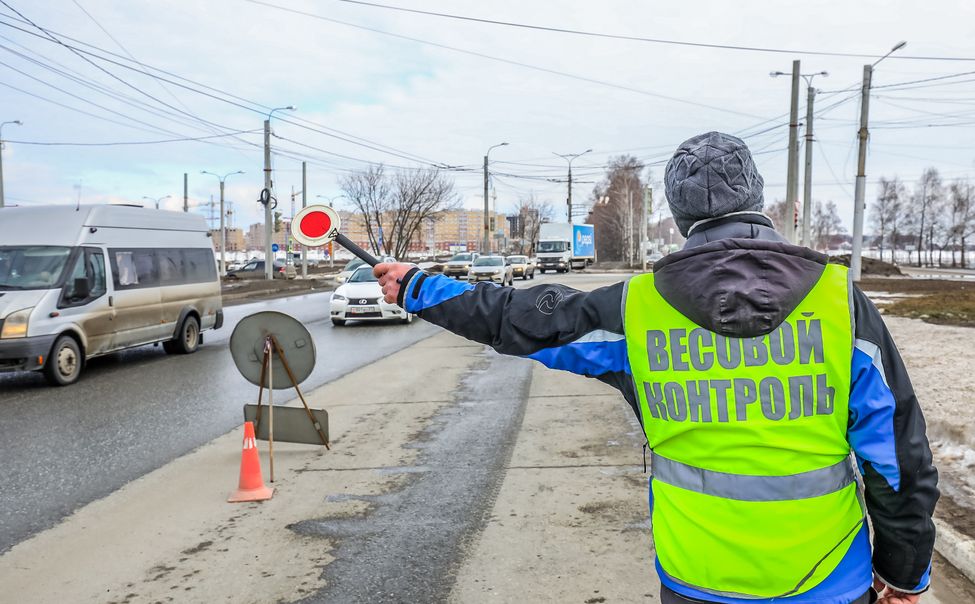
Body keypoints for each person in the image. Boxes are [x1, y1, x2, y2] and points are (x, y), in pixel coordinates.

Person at [373, 131, 938, 604]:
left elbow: (520, 319)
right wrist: (905, 572)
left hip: (696, 576)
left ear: (678, 211)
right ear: (759, 199)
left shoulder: (637, 309)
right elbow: (899, 461)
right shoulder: (839, 301)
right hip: (829, 578)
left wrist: (420, 287)